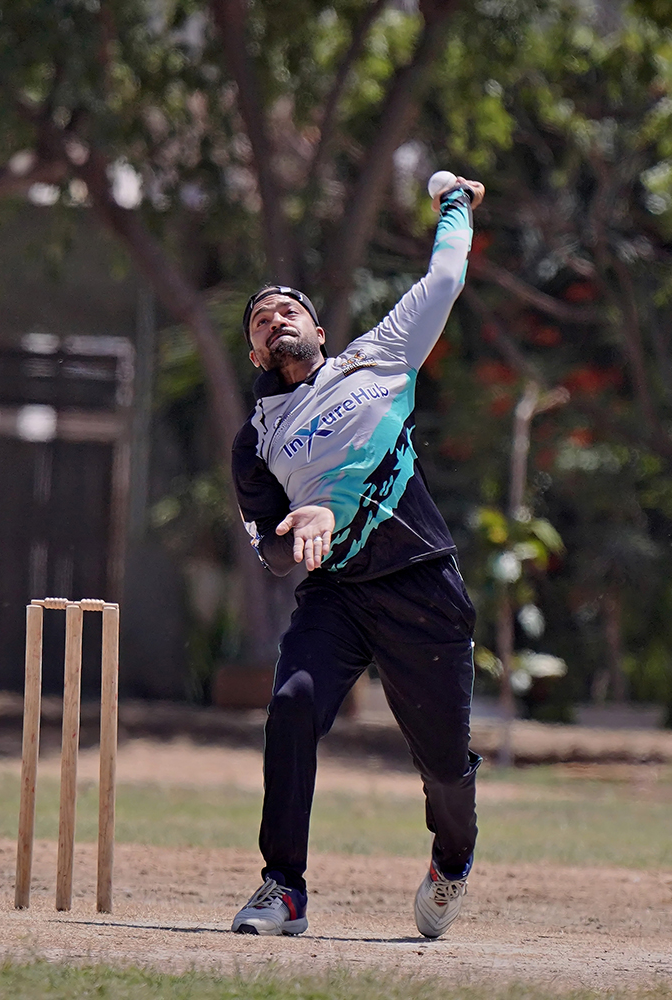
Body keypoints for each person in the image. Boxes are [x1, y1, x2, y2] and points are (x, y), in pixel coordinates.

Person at [229, 175, 484, 939]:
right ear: (253, 351)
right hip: (337, 596)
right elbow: (275, 555)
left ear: (317, 327)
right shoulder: (256, 440)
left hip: (421, 584)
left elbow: (446, 276)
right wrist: (302, 522)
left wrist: (454, 202)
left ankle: (451, 859)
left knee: (444, 766)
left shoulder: (379, 357)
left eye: (287, 310)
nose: (274, 319)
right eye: (260, 320)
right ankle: (283, 887)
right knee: (291, 706)